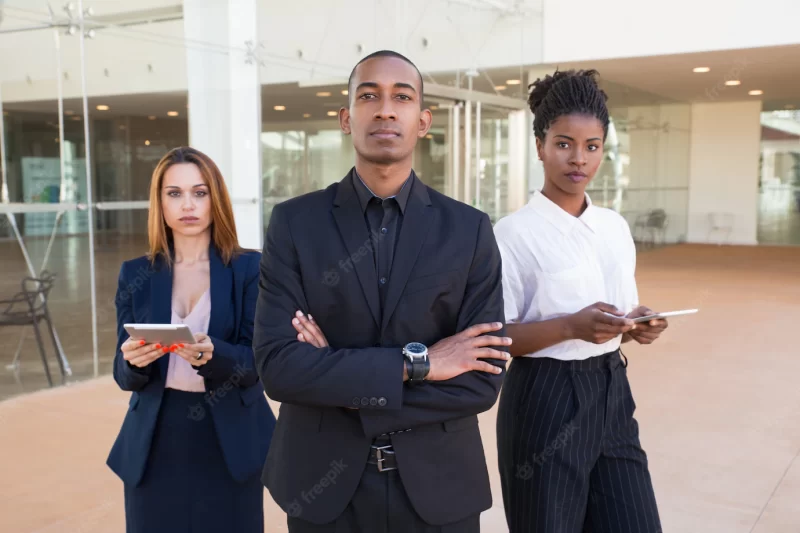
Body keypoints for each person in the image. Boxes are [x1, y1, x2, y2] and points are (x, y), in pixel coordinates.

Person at [253, 50, 511, 533]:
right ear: (347, 119)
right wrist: (422, 365)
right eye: (369, 95)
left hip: (439, 490)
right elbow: (280, 369)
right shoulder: (295, 224)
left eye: (402, 97)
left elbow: (481, 378)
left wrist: (339, 379)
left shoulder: (469, 229)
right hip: (323, 489)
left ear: (423, 121)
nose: (385, 108)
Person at [494, 69, 668, 533]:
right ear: (540, 145)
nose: (579, 159)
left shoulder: (614, 227)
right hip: (544, 400)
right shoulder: (511, 236)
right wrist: (570, 327)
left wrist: (640, 322)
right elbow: (494, 337)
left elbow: (622, 309)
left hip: (612, 392)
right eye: (564, 143)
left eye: (592, 146)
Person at [107, 147, 275, 533]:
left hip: (230, 436)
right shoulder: (136, 273)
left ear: (215, 199)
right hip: (156, 437)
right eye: (174, 193)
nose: (188, 205)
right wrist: (133, 360)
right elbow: (122, 376)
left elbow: (260, 362)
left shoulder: (250, 269)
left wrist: (216, 356)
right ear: (159, 202)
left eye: (199, 193)